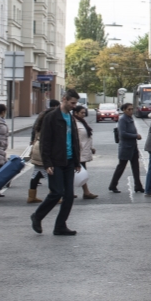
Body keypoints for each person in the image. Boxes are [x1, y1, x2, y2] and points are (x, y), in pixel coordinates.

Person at [31, 89, 82, 236]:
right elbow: (45, 142)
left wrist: (77, 160)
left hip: (70, 160)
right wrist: (47, 163)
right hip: (56, 161)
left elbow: (74, 140)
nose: (74, 106)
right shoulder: (52, 117)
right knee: (57, 192)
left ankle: (60, 225)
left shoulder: (70, 117)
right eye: (72, 103)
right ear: (64, 99)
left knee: (69, 195)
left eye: (75, 103)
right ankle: (37, 216)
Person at [27, 99, 60, 203]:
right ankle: (55, 196)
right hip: (43, 150)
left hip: (37, 148)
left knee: (36, 173)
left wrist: (32, 141)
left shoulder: (40, 120)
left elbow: (34, 131)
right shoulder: (49, 124)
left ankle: (31, 196)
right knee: (51, 173)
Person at [109, 103, 142, 193]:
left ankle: (138, 186)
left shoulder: (130, 118)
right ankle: (113, 185)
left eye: (132, 109)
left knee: (136, 167)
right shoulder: (123, 119)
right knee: (121, 166)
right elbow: (122, 134)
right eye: (129, 109)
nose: (131, 111)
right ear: (124, 110)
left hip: (133, 146)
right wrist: (135, 135)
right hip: (126, 147)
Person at [74, 105, 98, 200]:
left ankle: (73, 192)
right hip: (78, 152)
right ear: (75, 113)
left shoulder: (82, 122)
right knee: (81, 172)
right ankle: (86, 192)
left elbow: (86, 137)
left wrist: (91, 147)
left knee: (78, 172)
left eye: (84, 113)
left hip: (84, 151)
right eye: (82, 113)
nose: (84, 114)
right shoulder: (74, 123)